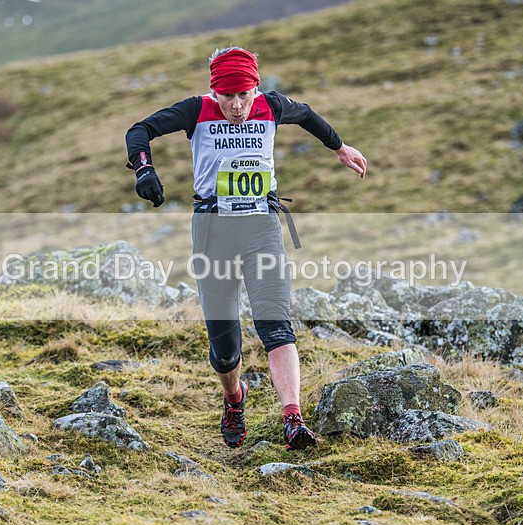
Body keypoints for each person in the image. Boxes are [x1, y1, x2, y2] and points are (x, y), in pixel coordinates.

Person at [125, 47, 367, 450]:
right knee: (224, 348)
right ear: (213, 91)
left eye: (244, 96)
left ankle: (293, 418)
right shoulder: (195, 110)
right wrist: (144, 167)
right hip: (213, 231)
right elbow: (139, 130)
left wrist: (339, 147)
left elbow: (305, 114)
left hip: (261, 228)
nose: (237, 106)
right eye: (228, 97)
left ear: (256, 88)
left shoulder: (271, 106)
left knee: (276, 324)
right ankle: (235, 399)